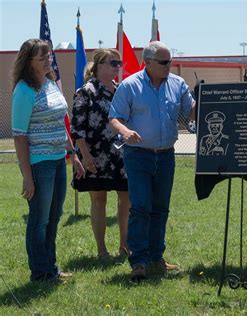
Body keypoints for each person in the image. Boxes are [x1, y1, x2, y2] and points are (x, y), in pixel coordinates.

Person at [109, 41, 195, 281]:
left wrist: (208, 99)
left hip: (166, 154)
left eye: (171, 61)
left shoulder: (177, 84)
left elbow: (192, 111)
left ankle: (156, 257)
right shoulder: (130, 86)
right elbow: (114, 117)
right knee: (140, 207)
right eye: (164, 62)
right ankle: (138, 260)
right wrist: (125, 132)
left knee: (160, 208)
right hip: (138, 154)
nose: (169, 66)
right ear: (147, 63)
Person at [11, 38, 85, 282]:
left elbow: (61, 123)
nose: (47, 60)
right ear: (28, 62)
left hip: (57, 161)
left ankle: (51, 268)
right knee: (39, 219)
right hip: (39, 163)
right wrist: (27, 177)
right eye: (41, 57)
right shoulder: (24, 89)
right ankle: (40, 272)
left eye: (48, 56)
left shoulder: (51, 83)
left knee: (54, 216)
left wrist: (72, 154)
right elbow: (20, 136)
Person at [71, 48, 130, 259]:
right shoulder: (85, 91)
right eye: (112, 63)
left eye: (118, 63)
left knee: (127, 198)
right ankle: (102, 250)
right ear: (98, 67)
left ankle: (124, 246)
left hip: (121, 156)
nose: (117, 67)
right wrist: (85, 156)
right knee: (99, 200)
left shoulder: (121, 90)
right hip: (95, 155)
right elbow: (77, 128)